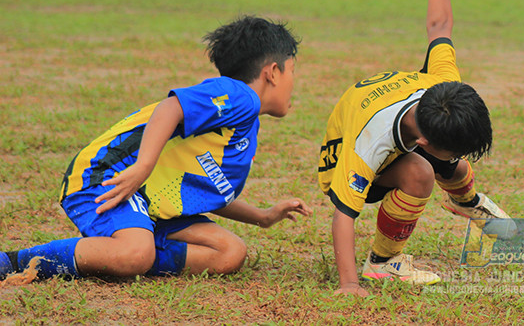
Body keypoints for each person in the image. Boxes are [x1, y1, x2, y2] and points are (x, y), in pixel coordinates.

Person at [0, 15, 311, 285]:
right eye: (292, 71)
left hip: (147, 202)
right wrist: (143, 167)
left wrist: (263, 216)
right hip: (108, 179)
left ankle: (126, 252)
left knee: (230, 253)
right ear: (272, 71)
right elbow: (170, 108)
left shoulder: (242, 121)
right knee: (134, 253)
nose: (294, 82)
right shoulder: (239, 96)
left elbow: (200, 189)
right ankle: (12, 262)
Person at [318, 0, 514, 295]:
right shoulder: (370, 141)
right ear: (422, 141)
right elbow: (343, 215)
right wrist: (348, 284)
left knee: (454, 171)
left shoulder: (444, 86)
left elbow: (439, 26)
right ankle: (382, 265)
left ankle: (470, 204)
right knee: (422, 174)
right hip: (340, 161)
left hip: (410, 128)